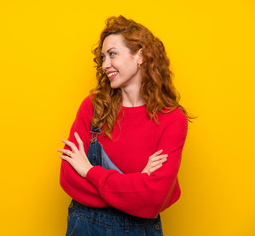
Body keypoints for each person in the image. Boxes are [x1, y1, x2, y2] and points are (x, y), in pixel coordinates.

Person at [57, 15, 194, 236]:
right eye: (102, 57)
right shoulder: (93, 108)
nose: (105, 65)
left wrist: (90, 172)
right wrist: (137, 183)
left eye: (112, 55)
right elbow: (69, 179)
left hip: (140, 230)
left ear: (140, 55)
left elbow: (154, 198)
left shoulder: (173, 119)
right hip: (84, 227)